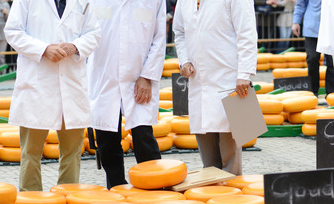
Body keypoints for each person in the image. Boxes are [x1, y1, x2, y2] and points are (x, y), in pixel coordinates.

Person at [4, 0, 101, 191]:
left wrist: (75, 46)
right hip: (37, 83)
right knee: (31, 152)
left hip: (71, 84)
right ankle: (31, 200)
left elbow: (94, 33)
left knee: (72, 152)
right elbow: (13, 31)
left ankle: (68, 198)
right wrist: (43, 49)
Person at [87, 0, 166, 189]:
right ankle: (115, 189)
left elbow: (160, 38)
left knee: (143, 137)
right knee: (106, 139)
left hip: (138, 77)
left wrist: (147, 76)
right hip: (103, 77)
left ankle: (155, 189)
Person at [173, 0, 257, 175]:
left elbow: (247, 32)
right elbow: (179, 32)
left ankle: (232, 190)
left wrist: (244, 74)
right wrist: (184, 59)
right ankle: (211, 186)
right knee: (205, 138)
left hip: (230, 76)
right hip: (199, 80)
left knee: (230, 140)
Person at [292, 0, 334, 96]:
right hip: (312, 28)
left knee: (332, 63)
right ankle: (313, 91)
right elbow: (300, 4)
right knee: (312, 59)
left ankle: (331, 94)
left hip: (330, 29)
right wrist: (296, 22)